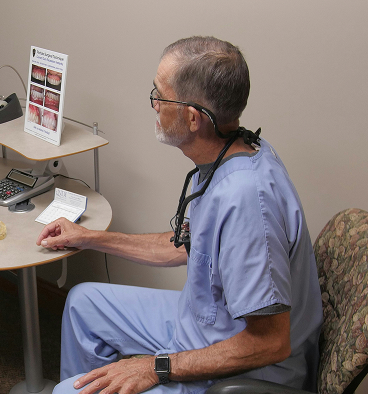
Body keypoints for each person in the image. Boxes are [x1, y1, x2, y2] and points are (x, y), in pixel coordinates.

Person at [38, 37, 322, 394]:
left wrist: (157, 367)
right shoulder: (231, 153)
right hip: (205, 320)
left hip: (242, 371)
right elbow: (188, 247)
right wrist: (90, 238)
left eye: (160, 95)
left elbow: (270, 343)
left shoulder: (247, 199)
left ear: (192, 118)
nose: (154, 105)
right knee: (83, 304)